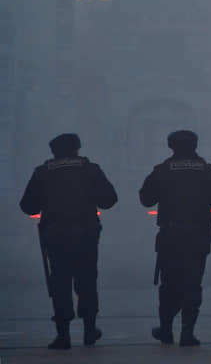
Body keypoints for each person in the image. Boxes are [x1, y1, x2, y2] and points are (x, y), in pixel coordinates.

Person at [19, 133, 118, 350]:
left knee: (60, 283)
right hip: (86, 235)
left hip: (56, 236)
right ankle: (89, 329)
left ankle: (63, 335)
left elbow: (28, 206)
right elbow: (109, 200)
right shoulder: (90, 169)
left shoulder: (43, 172)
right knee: (87, 280)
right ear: (77, 148)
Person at [139, 130, 211, 346]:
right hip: (198, 235)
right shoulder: (207, 170)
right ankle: (187, 333)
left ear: (171, 146)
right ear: (195, 145)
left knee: (169, 284)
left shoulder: (162, 171)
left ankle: (166, 330)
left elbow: (146, 199)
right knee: (192, 283)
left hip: (171, 236)